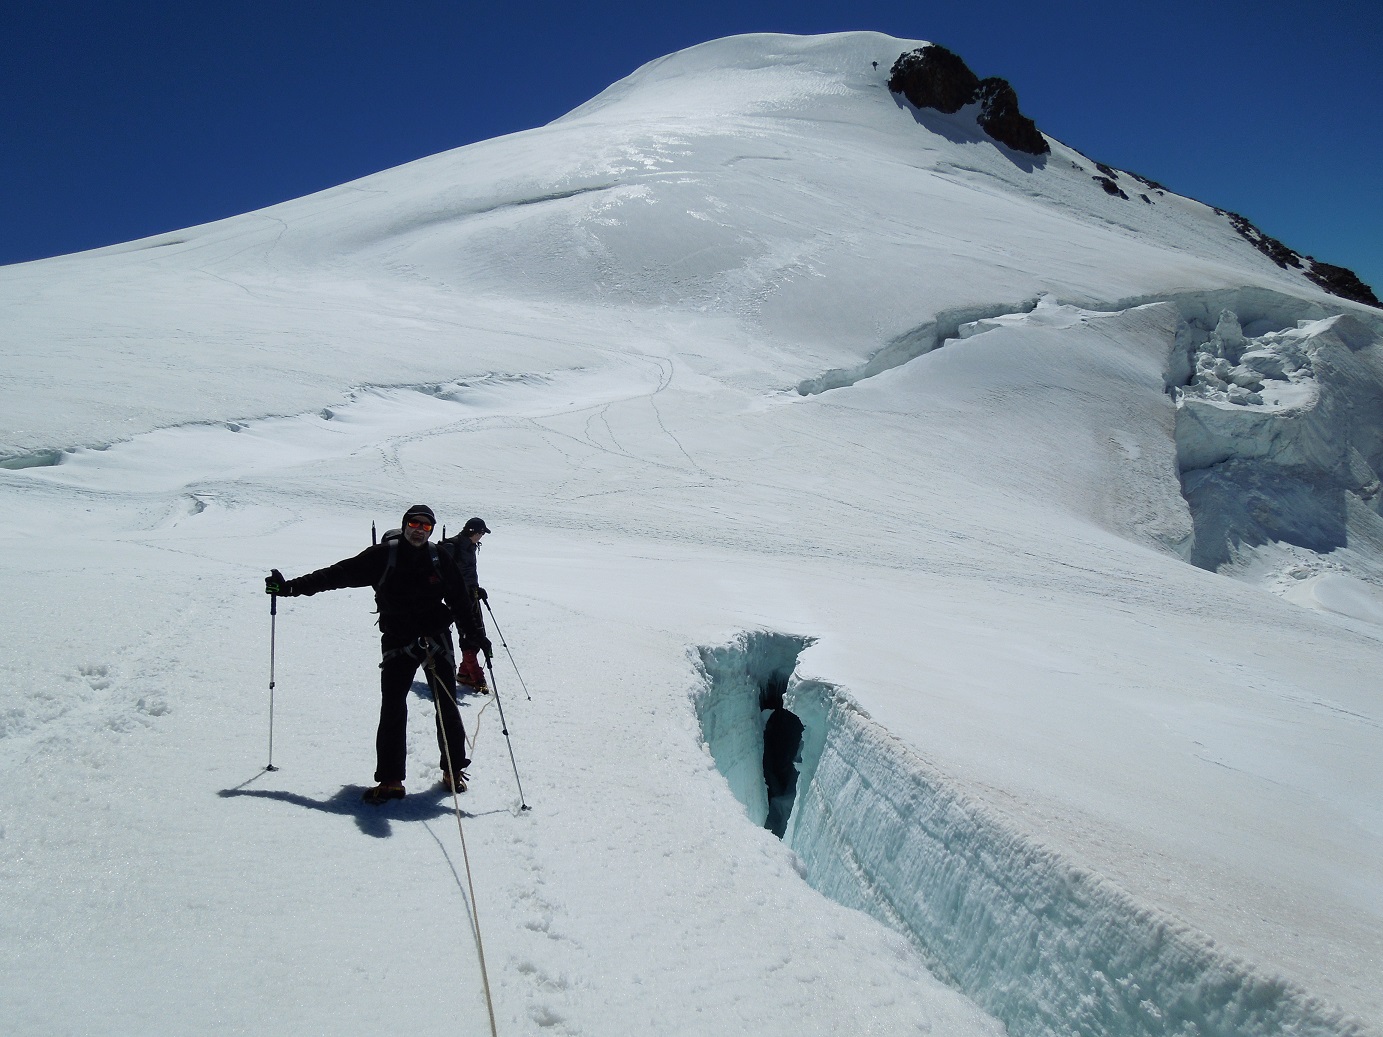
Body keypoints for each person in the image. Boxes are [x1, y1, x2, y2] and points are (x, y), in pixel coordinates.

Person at [265, 504, 485, 804]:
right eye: (414, 524)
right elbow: (336, 575)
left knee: (446, 704)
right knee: (393, 708)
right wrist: (290, 588)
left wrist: (472, 636)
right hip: (398, 641)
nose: (419, 530)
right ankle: (391, 779)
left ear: (431, 530)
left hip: (436, 640)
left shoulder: (438, 557)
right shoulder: (383, 556)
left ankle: (453, 770)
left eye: (426, 527)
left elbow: (459, 599)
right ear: (405, 524)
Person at [441, 517, 492, 693]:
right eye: (482, 533)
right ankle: (476, 677)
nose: (482, 536)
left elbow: (468, 573)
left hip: (471, 596)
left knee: (478, 634)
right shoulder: (453, 546)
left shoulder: (469, 546)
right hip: (458, 599)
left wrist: (476, 588)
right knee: (469, 635)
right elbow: (445, 574)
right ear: (474, 532)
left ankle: (464, 673)